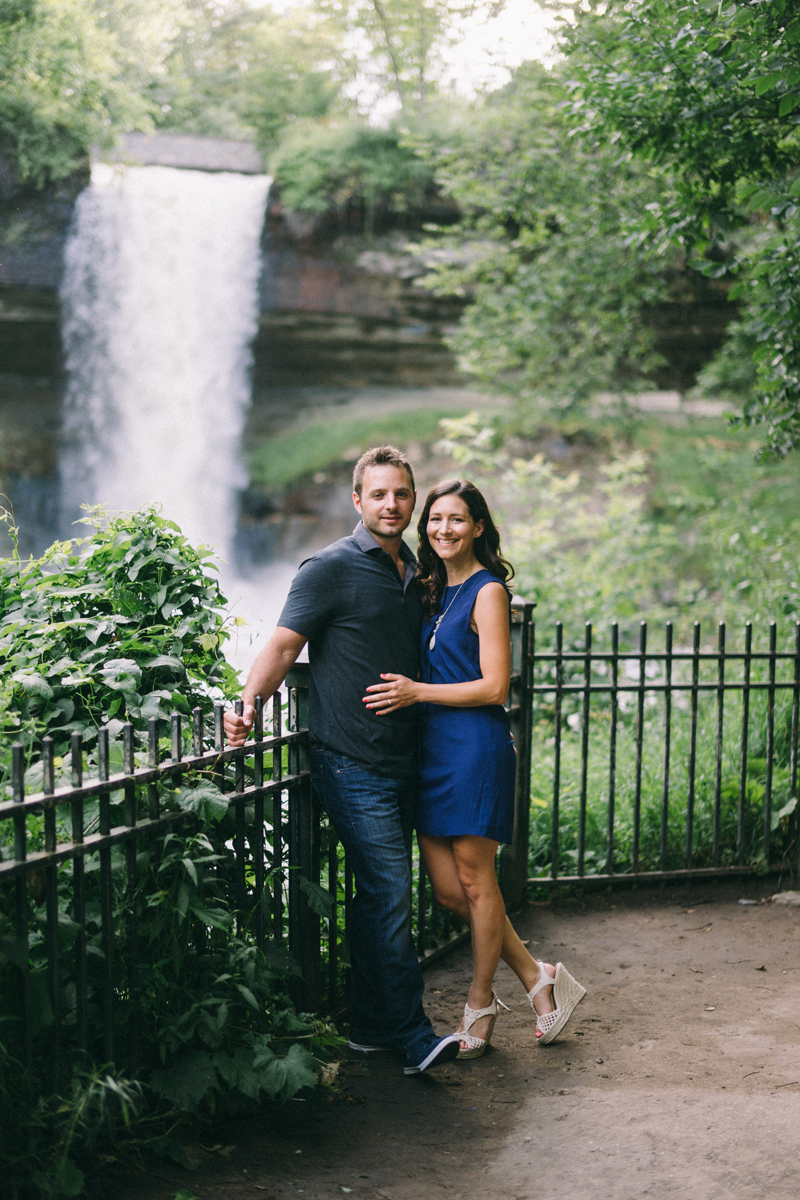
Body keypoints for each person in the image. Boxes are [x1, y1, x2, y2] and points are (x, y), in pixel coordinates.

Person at [223, 446, 460, 1076]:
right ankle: (413, 1036)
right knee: (389, 892)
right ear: (357, 500)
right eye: (378, 494)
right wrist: (246, 704)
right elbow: (281, 645)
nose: (391, 505)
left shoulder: (417, 569)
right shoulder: (328, 568)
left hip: (407, 758)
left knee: (376, 898)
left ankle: (367, 1027)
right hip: (349, 759)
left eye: (401, 495)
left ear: (413, 501)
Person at [363, 479, 586, 1057]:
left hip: (473, 749)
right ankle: (540, 976)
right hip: (432, 750)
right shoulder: (434, 589)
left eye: (457, 520)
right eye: (435, 520)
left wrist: (416, 692)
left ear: (479, 527)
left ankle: (480, 1004)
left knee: (477, 884)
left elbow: (493, 687)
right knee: (450, 893)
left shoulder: (488, 591)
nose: (444, 529)